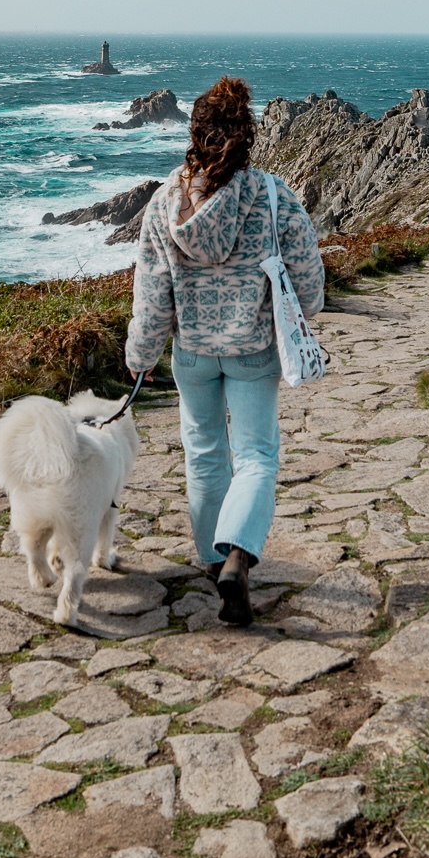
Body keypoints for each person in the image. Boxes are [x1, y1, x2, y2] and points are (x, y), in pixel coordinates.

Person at [125, 75, 324, 626]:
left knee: (204, 456)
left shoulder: (166, 204)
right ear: (246, 136)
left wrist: (139, 354)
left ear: (194, 132)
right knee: (256, 456)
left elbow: (152, 292)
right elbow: (308, 279)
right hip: (252, 349)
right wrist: (303, 312)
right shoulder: (273, 196)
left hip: (191, 352)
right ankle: (239, 555)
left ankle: (216, 566)